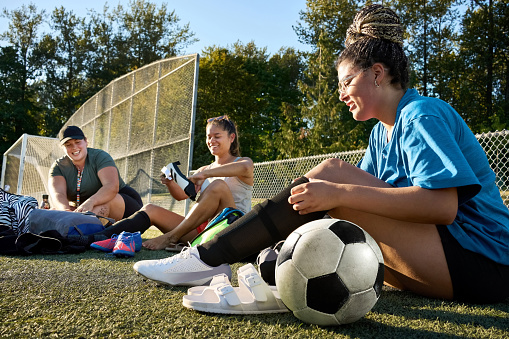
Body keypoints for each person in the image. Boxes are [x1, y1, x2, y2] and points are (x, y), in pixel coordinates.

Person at [132, 4, 509, 304]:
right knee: (324, 201)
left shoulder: (421, 114)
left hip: (485, 261)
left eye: (346, 82)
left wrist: (338, 193)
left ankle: (207, 257)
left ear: (378, 74)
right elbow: (363, 211)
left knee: (333, 176)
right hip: (444, 259)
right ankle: (265, 263)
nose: (341, 94)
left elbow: (443, 207)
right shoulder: (381, 134)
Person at [92, 115, 254, 250]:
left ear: (231, 137)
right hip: (205, 232)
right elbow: (182, 196)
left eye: (217, 136)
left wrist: (205, 174)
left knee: (218, 186)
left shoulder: (242, 162)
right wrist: (170, 183)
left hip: (233, 231)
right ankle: (95, 238)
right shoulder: (204, 169)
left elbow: (246, 167)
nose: (212, 141)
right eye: (208, 137)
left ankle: (171, 237)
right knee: (150, 209)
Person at [49, 126, 142, 221]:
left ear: (85, 141)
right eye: (68, 145)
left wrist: (91, 202)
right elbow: (58, 194)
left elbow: (111, 186)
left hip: (126, 204)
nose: (74, 147)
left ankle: (80, 228)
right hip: (86, 208)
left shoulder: (100, 156)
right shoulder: (58, 166)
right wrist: (66, 211)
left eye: (77, 142)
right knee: (54, 211)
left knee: (98, 208)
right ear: (62, 148)